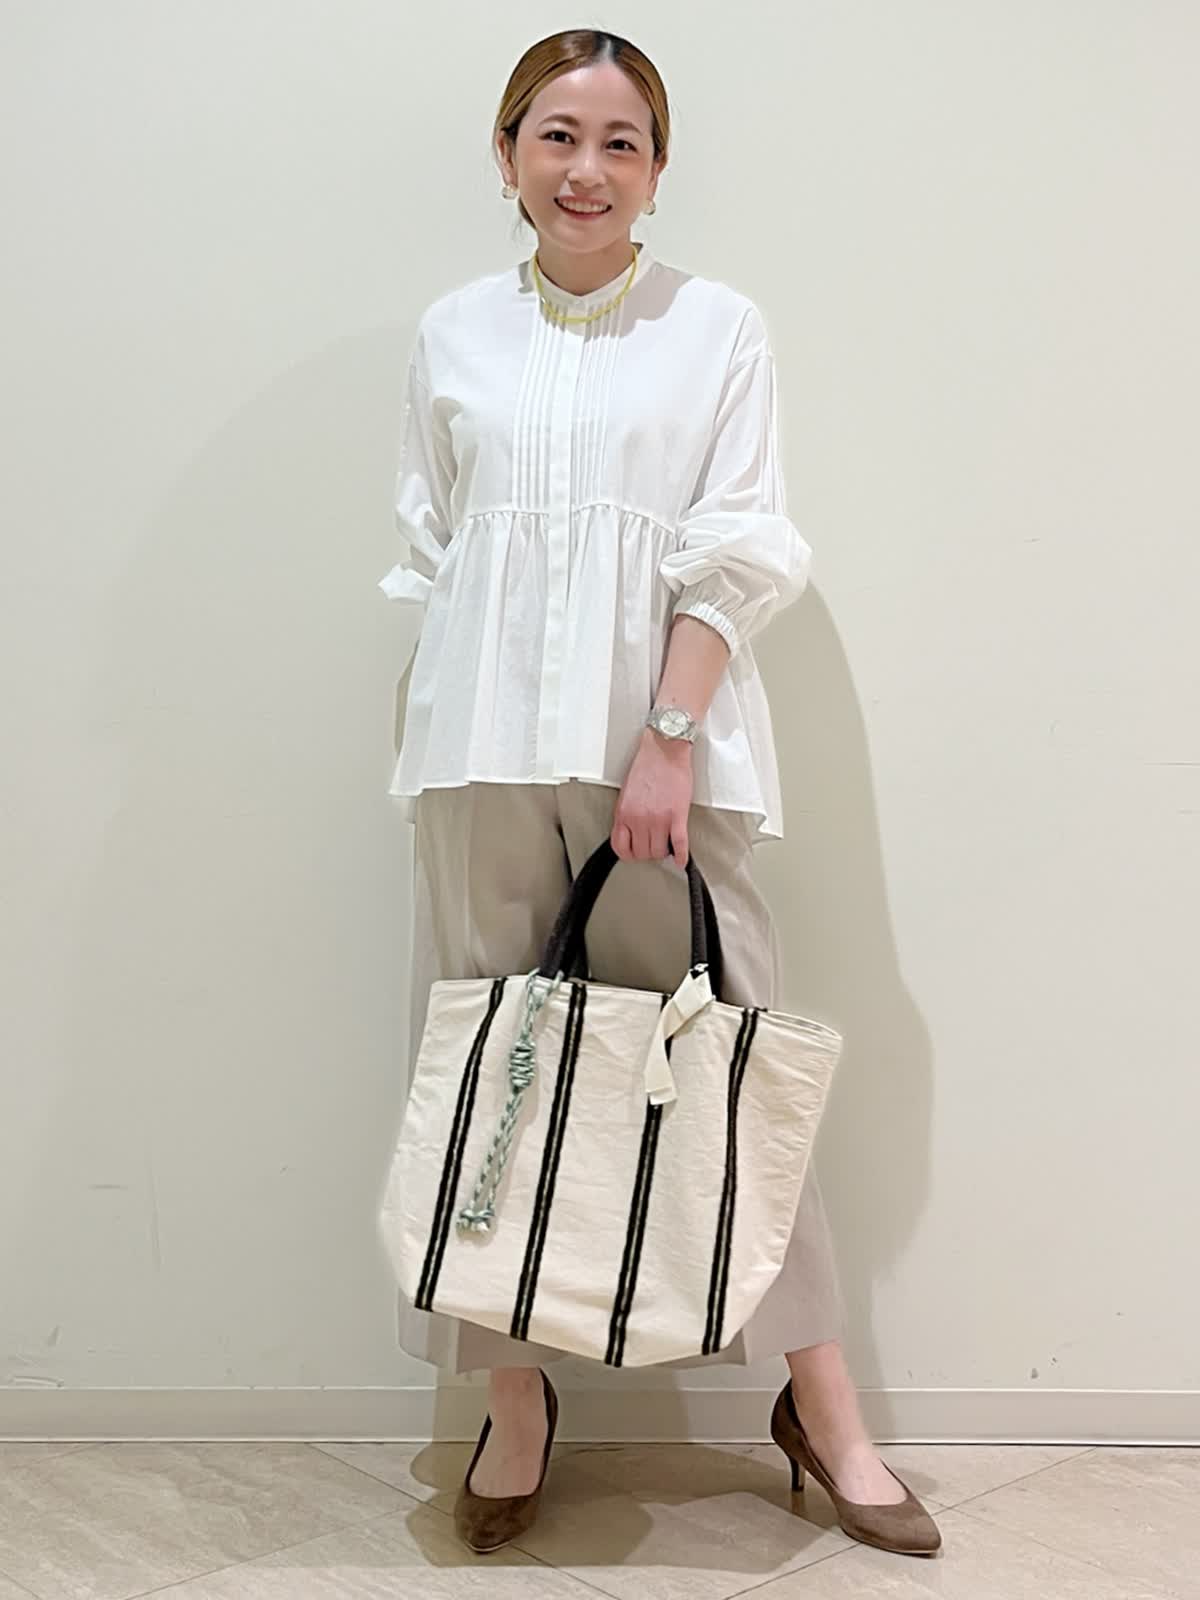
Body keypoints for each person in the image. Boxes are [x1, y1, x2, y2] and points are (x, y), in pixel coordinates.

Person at [377, 27, 941, 1561]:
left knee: (731, 1061)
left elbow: (741, 538)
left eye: (620, 140)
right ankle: (514, 1403)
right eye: (556, 136)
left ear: (658, 167)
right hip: (480, 752)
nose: (587, 168)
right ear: (508, 156)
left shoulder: (717, 328)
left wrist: (669, 734)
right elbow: (437, 547)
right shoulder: (451, 333)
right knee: (492, 1076)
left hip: (663, 760)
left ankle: (823, 1409)